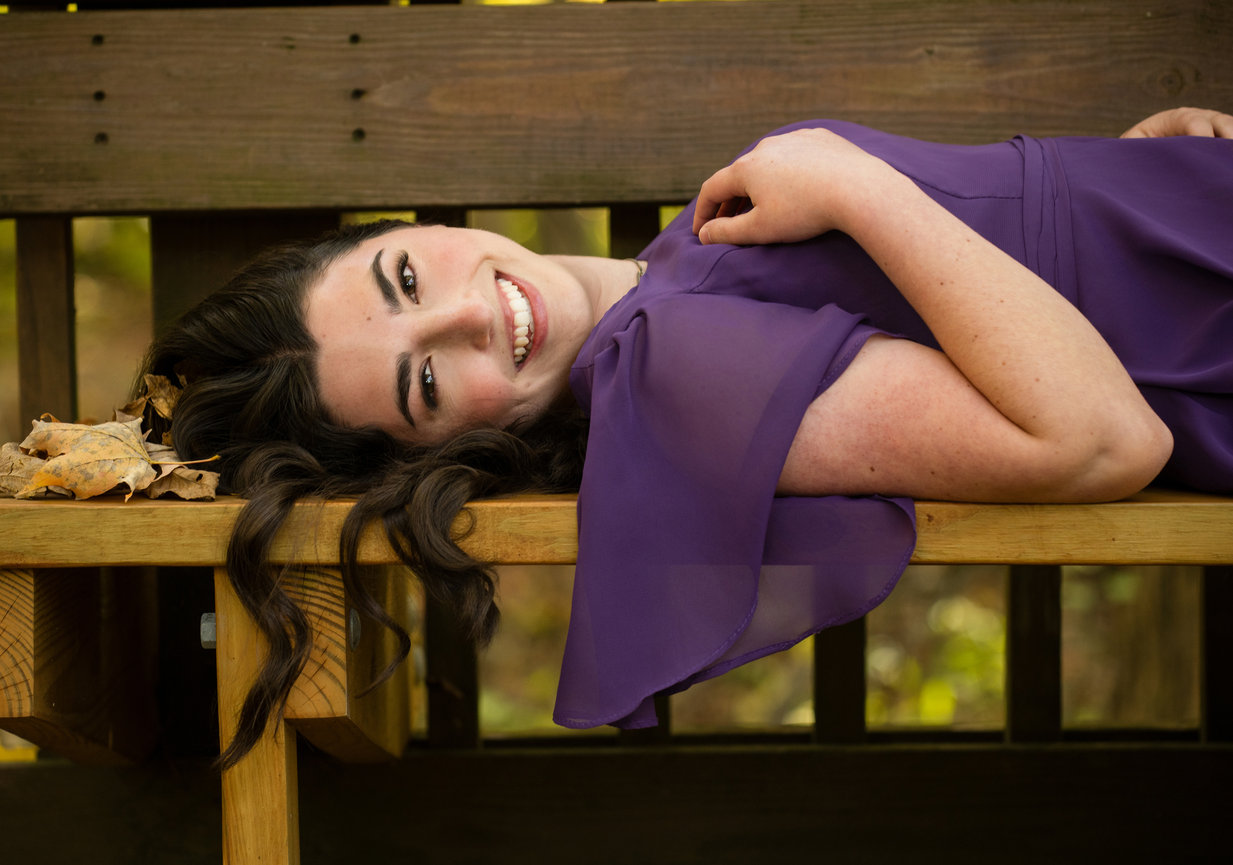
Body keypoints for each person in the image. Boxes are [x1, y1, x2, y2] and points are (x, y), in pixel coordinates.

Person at [142, 107, 1233, 765]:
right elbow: (1094, 440)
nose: (469, 313)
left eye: (407, 276)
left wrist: (1119, 184)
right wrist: (859, 185)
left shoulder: (670, 277)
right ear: (432, 449)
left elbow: (1010, 276)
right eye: (426, 378)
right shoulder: (665, 371)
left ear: (411, 227)